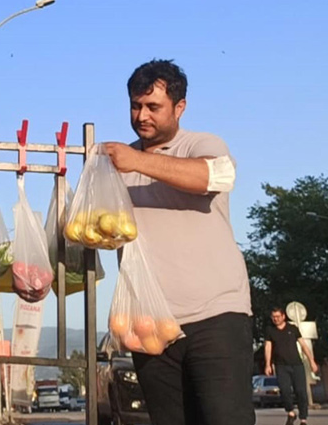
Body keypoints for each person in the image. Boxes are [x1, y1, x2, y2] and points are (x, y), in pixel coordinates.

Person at [105, 59, 254, 425]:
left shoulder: (200, 144)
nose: (142, 116)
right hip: (150, 328)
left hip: (216, 316)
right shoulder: (118, 164)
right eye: (135, 106)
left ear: (179, 107)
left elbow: (215, 175)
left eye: (153, 107)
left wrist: (138, 161)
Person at [265, 307, 319, 425]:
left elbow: (303, 345)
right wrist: (267, 364)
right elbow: (268, 347)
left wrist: (312, 361)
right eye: (273, 317)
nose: (276, 319)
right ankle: (291, 412)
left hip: (296, 365)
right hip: (281, 366)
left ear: (283, 316)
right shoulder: (270, 331)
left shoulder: (292, 328)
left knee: (301, 392)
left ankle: (303, 419)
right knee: (284, 391)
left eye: (278, 316)